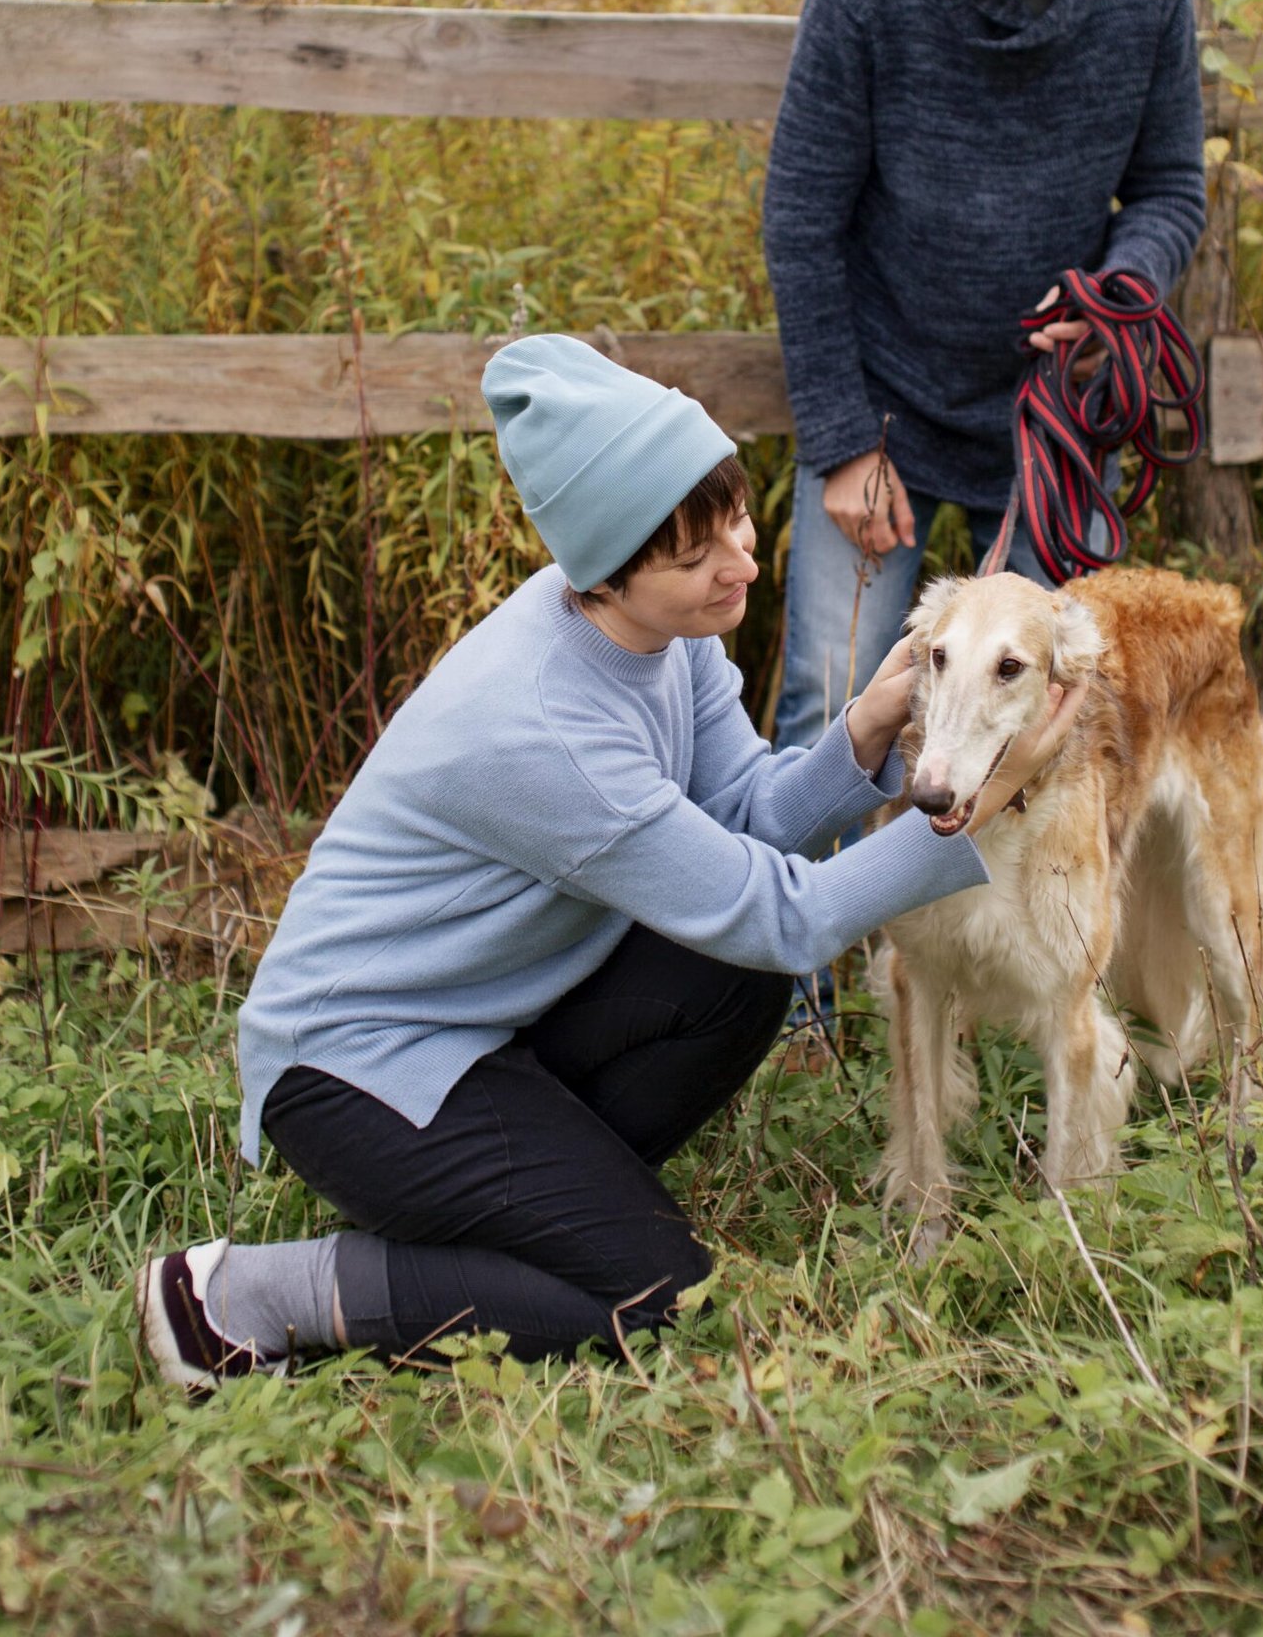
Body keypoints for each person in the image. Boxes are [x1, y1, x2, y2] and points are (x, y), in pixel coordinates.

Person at [137, 335, 1083, 1388]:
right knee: (651, 1293)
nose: (742, 562)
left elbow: (747, 816)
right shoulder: (548, 730)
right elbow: (786, 917)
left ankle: (532, 1210)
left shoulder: (666, 634)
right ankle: (247, 1294)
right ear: (604, 569)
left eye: (736, 517)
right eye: (695, 556)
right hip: (359, 1068)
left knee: (733, 982)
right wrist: (976, 807)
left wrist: (864, 726)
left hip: (488, 1028)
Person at [763, 0, 1207, 766]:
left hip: (1058, 423)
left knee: (1057, 724)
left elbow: (1169, 187)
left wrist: (1120, 293)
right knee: (834, 701)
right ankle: (802, 881)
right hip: (885, 413)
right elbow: (800, 215)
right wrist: (844, 441)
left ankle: (1005, 886)